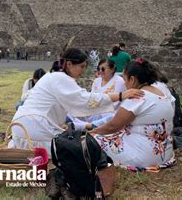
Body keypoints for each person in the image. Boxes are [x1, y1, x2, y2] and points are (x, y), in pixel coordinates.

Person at [9, 48, 143, 155]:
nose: (83, 71)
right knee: (78, 148)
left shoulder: (53, 76)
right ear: (69, 64)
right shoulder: (61, 78)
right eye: (82, 66)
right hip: (35, 127)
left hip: (23, 126)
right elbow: (86, 100)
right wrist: (121, 96)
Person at [91, 58, 175, 169]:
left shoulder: (137, 96)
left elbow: (113, 126)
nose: (124, 83)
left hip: (142, 157)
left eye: (125, 80)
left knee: (92, 140)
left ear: (132, 80)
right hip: (164, 154)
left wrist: (93, 132)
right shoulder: (161, 93)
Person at [67, 59, 127, 130]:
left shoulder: (119, 81)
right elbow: (91, 98)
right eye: (98, 69)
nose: (100, 71)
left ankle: (84, 125)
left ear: (112, 69)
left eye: (103, 69)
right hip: (95, 108)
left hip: (108, 111)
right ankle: (81, 124)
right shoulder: (97, 81)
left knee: (110, 116)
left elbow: (115, 104)